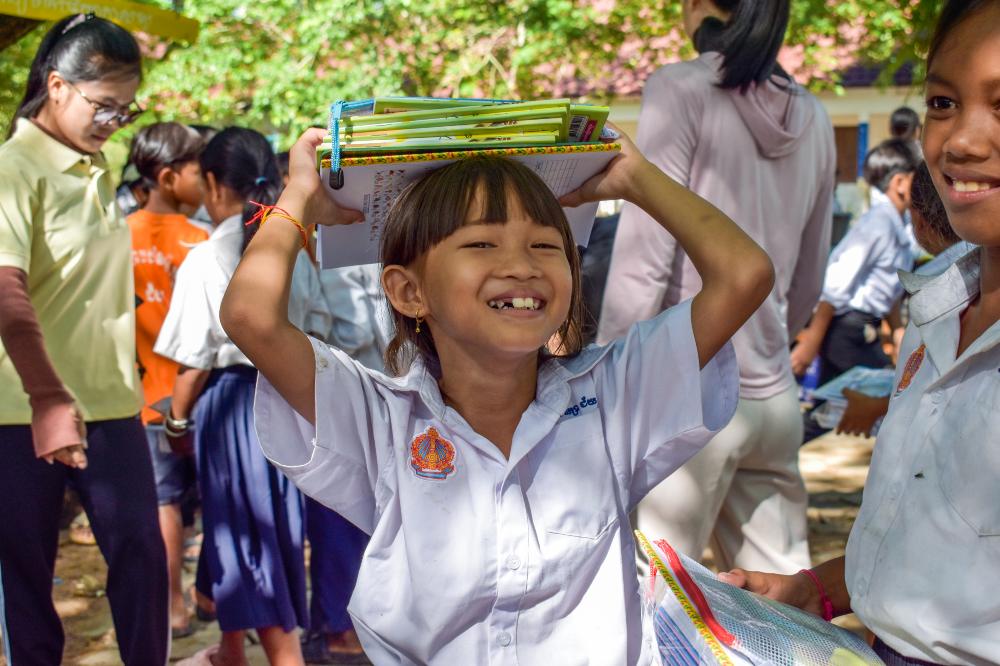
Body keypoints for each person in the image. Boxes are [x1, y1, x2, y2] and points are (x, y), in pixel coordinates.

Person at [220, 119, 773, 662]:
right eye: (482, 243)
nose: (520, 266)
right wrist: (299, 199)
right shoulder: (377, 418)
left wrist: (636, 178)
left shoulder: (614, 396)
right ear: (409, 291)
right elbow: (250, 317)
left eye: (545, 245)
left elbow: (743, 274)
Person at [722, 2, 1000, 663]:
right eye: (942, 101)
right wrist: (814, 591)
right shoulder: (937, 311)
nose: (961, 140)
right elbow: (934, 528)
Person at [598, 0, 836, 574]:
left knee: (655, 604)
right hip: (774, 397)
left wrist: (605, 372)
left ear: (698, 7)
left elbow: (644, 256)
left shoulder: (680, 88)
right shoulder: (816, 115)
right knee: (784, 615)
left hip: (690, 391)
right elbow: (809, 276)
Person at [0, 13, 169, 665]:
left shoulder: (96, 169)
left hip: (110, 410)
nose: (112, 122)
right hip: (22, 414)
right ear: (57, 86)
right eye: (104, 106)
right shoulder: (16, 170)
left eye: (125, 111)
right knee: (26, 586)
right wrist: (47, 399)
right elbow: (7, 293)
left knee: (144, 563)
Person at [155, 128, 311, 666]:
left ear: (215, 183)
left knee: (250, 539)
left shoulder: (209, 258)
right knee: (263, 533)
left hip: (233, 412)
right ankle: (229, 652)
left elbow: (194, 361)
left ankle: (286, 657)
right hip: (290, 400)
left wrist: (176, 423)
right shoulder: (297, 245)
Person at [127, 121, 210, 639]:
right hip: (192, 396)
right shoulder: (200, 240)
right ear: (167, 175)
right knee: (197, 501)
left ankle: (173, 608)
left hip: (140, 397)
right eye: (198, 170)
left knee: (164, 504)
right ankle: (199, 600)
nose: (205, 180)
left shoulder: (119, 234)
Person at [791, 139, 921, 388]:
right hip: (847, 330)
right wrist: (812, 342)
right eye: (920, 179)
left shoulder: (898, 223)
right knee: (860, 400)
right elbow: (836, 282)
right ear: (900, 183)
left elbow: (888, 289)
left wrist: (897, 335)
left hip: (865, 327)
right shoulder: (878, 223)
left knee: (846, 407)